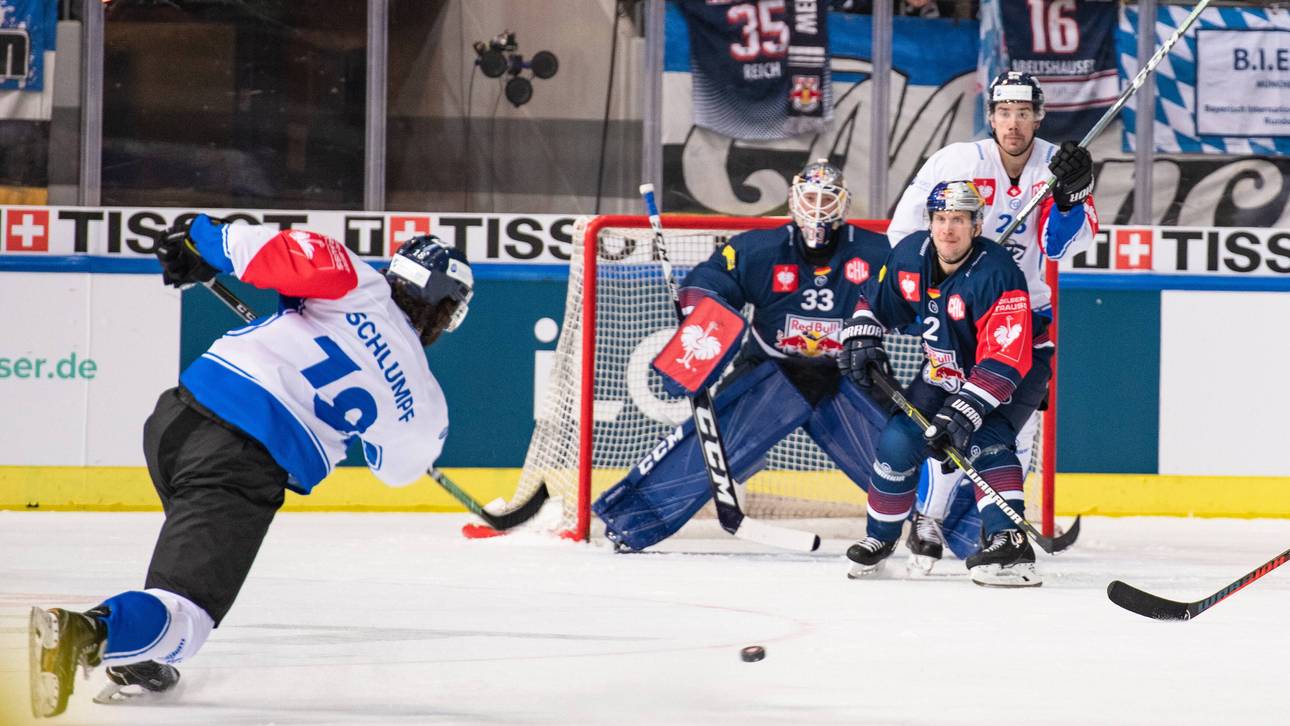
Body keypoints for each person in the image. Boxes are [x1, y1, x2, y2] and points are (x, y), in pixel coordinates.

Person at [28, 215, 474, 717]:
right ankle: (85, 634)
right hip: (239, 460)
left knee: (185, 557)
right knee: (186, 615)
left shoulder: (352, 276)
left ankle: (140, 655)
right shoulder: (424, 400)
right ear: (446, 311)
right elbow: (394, 469)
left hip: (175, 419)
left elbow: (245, 246)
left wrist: (196, 241)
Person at [593, 160, 892, 551]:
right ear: (793, 200)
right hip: (771, 372)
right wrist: (700, 303)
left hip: (847, 373)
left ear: (844, 204)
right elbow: (713, 280)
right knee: (710, 442)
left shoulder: (876, 251)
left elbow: (914, 292)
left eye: (827, 198)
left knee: (900, 452)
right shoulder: (759, 249)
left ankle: (957, 529)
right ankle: (631, 521)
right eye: (810, 196)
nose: (818, 207)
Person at [885, 70, 1098, 573]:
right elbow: (903, 232)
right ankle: (928, 521)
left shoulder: (1060, 164)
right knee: (951, 420)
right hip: (960, 316)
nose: (1014, 123)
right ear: (991, 117)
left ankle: (999, 532)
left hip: (1026, 317)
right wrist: (936, 286)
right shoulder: (957, 161)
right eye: (1005, 113)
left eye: (1024, 113)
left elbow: (1063, 246)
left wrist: (1070, 196)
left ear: (1039, 116)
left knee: (1011, 432)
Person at [839, 180, 1041, 587]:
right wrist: (862, 334)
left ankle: (1012, 546)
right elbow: (874, 303)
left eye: (959, 220)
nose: (948, 229)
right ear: (930, 222)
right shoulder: (909, 257)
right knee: (899, 440)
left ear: (976, 226)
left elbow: (1006, 357)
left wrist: (964, 410)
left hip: (1018, 370)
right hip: (944, 370)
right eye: (941, 219)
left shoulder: (999, 273)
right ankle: (879, 540)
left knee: (987, 439)